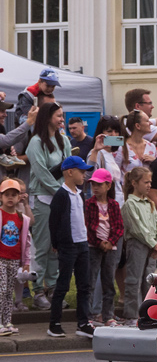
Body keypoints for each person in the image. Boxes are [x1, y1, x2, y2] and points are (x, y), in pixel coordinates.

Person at [26, 102, 69, 309]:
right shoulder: (36, 143)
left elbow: (69, 166)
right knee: (42, 247)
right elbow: (41, 173)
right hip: (42, 199)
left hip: (60, 198)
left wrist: (67, 191)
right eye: (58, 116)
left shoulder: (64, 141)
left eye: (62, 116)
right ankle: (37, 291)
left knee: (56, 246)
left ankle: (53, 287)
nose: (62, 119)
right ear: (48, 117)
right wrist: (60, 191)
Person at [47, 155, 95, 339]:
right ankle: (54, 323)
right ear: (69, 172)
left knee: (84, 285)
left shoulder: (80, 193)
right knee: (63, 284)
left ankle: (83, 322)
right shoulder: (61, 195)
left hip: (82, 243)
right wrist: (56, 243)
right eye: (81, 171)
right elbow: (54, 221)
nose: (84, 175)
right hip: (68, 245)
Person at [120, 167, 157, 321]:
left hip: (151, 247)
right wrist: (153, 243)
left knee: (149, 281)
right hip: (137, 245)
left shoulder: (150, 203)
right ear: (134, 183)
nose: (149, 185)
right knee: (133, 280)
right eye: (146, 182)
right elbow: (137, 228)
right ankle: (131, 315)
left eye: (150, 182)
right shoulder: (130, 204)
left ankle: (148, 313)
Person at [84, 168, 123, 327]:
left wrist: (110, 241)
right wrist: (99, 242)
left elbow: (119, 227)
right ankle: (88, 316)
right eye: (93, 184)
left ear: (108, 186)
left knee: (109, 282)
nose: (95, 187)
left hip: (110, 248)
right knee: (90, 281)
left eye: (99, 184)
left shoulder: (114, 205)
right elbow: (87, 226)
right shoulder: (89, 204)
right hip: (94, 246)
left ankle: (108, 316)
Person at [0, 179, 31, 337]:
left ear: (19, 197)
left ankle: (7, 322)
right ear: (1, 197)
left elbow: (26, 241)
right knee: (1, 289)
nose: (10, 198)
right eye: (7, 195)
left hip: (14, 259)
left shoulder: (22, 219)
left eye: (14, 195)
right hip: (1, 258)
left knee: (9, 292)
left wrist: (26, 262)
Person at [87, 116, 128, 205]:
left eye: (116, 131)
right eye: (109, 131)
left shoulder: (110, 153)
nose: (113, 134)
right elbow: (88, 175)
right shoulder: (97, 153)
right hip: (103, 206)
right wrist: (95, 150)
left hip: (117, 204)